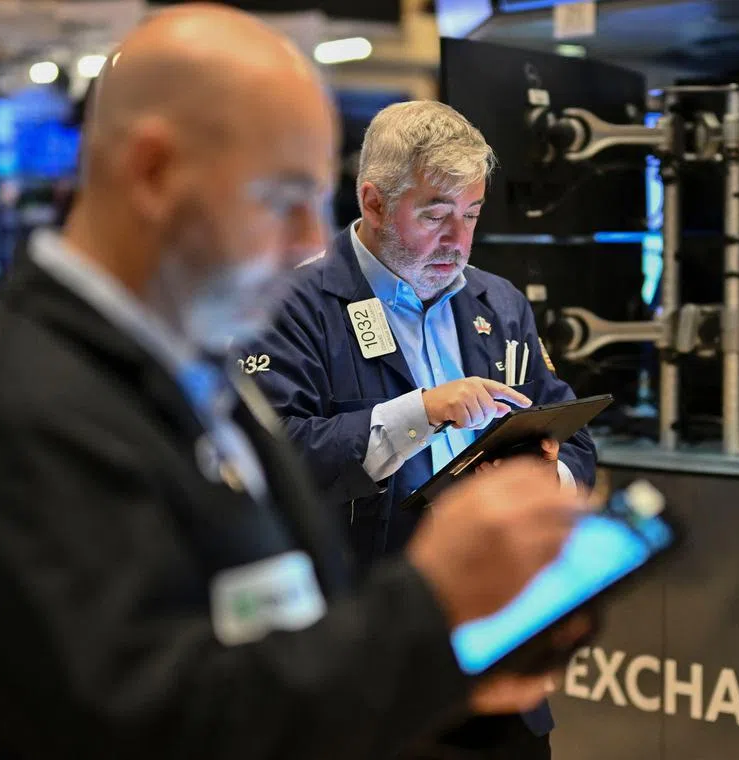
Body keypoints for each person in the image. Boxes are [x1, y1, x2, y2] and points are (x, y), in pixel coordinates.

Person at [0, 7, 591, 759]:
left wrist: (443, 661)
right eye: (282, 198)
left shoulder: (180, 371)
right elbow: (151, 722)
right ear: (153, 172)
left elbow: (271, 628)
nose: (308, 243)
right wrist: (429, 614)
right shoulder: (24, 417)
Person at [242, 100, 599, 758]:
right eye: (435, 213)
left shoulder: (499, 302)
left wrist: (544, 473)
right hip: (370, 667)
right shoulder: (288, 305)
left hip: (500, 654)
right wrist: (423, 412)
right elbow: (274, 458)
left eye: (470, 215)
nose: (457, 242)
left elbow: (570, 433)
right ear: (374, 203)